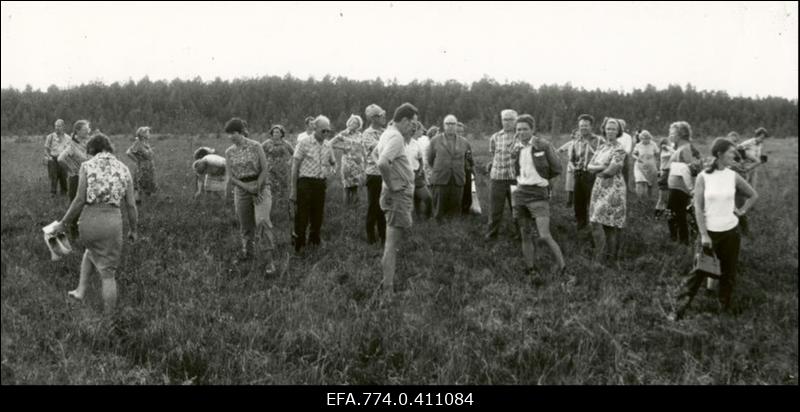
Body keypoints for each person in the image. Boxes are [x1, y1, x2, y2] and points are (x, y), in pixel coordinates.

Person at [673, 138, 758, 319]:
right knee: (698, 273)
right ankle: (678, 309)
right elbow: (698, 208)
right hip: (710, 233)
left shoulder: (732, 175)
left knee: (728, 273)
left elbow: (753, 195)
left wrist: (740, 211)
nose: (734, 155)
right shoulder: (704, 177)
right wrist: (704, 235)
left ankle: (724, 309)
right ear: (719, 154)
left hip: (731, 233)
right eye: (731, 152)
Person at [53, 133, 138, 315]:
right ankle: (109, 319)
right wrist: (133, 230)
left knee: (90, 250)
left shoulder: (87, 166)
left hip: (89, 222)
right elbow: (130, 205)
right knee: (108, 274)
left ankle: (80, 292)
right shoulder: (124, 169)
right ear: (109, 148)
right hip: (112, 222)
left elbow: (79, 200)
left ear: (91, 150)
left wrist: (63, 224)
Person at [510, 114, 566, 283]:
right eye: (518, 129)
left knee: (544, 235)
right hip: (520, 194)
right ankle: (530, 269)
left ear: (532, 129)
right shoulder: (516, 147)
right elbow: (516, 169)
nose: (521, 132)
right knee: (525, 234)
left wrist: (543, 181)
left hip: (538, 194)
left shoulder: (543, 145)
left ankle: (563, 268)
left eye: (525, 129)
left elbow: (557, 168)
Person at [376, 103, 419, 299]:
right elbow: (382, 161)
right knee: (391, 244)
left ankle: (388, 282)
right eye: (412, 123)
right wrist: (392, 184)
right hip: (397, 196)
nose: (414, 127)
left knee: (392, 241)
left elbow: (376, 153)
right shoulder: (396, 136)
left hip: (394, 195)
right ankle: (388, 290)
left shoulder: (387, 133)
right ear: (403, 120)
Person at [224, 118, 276, 273]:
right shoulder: (229, 152)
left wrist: (257, 188)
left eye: (233, 133)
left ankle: (269, 262)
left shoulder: (256, 146)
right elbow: (231, 177)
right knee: (245, 225)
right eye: (228, 134)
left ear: (241, 132)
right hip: (241, 190)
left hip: (261, 187)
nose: (231, 137)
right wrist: (246, 187)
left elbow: (265, 169)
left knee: (262, 222)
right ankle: (248, 255)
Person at [290, 115, 336, 254]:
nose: (326, 133)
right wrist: (293, 189)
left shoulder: (328, 145)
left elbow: (333, 162)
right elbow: (295, 166)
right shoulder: (304, 142)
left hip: (320, 184)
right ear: (315, 128)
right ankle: (299, 245)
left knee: (317, 215)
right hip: (305, 183)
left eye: (328, 131)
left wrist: (332, 171)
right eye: (324, 131)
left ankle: (314, 242)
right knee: (302, 215)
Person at [587, 118, 628, 265]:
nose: (610, 131)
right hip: (599, 189)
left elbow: (612, 170)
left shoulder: (620, 148)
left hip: (613, 189)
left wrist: (600, 169)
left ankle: (609, 259)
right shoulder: (601, 147)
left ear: (618, 131)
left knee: (609, 225)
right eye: (608, 128)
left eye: (614, 129)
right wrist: (601, 166)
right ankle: (602, 257)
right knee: (596, 222)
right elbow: (589, 166)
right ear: (604, 130)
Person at [427, 114, 472, 221]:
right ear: (444, 125)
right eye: (448, 124)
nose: (450, 126)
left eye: (453, 124)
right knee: (439, 211)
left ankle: (453, 232)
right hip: (440, 179)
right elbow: (430, 159)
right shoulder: (435, 140)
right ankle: (438, 232)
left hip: (457, 180)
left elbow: (469, 159)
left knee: (455, 210)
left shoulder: (465, 142)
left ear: (456, 125)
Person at [485, 109, 521, 240]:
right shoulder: (495, 137)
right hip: (498, 178)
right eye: (505, 119)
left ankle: (520, 235)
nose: (507, 122)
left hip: (515, 179)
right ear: (501, 121)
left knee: (517, 209)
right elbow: (493, 154)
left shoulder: (521, 136)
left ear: (516, 121)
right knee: (495, 209)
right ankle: (491, 234)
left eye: (511, 119)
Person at [568, 114, 604, 238]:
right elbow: (571, 160)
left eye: (586, 125)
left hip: (593, 176)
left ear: (591, 126)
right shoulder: (575, 142)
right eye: (581, 126)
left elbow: (606, 158)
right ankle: (581, 227)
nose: (583, 128)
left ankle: (596, 230)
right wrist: (573, 169)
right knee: (578, 203)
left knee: (594, 203)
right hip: (579, 175)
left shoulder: (599, 140)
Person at [667, 121, 701, 245]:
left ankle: (682, 240)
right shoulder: (680, 148)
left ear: (681, 134)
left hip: (681, 188)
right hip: (676, 187)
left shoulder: (685, 148)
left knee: (676, 213)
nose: (670, 136)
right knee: (675, 213)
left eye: (672, 133)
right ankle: (679, 239)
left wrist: (692, 189)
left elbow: (692, 169)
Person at [58, 120, 93, 238]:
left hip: (90, 178)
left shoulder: (88, 142)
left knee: (89, 205)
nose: (88, 131)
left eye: (88, 129)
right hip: (76, 179)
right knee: (76, 205)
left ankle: (86, 231)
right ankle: (74, 233)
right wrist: (71, 170)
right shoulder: (72, 145)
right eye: (85, 129)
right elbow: (61, 159)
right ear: (77, 131)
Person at [362, 104, 387, 244]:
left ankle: (383, 236)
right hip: (374, 174)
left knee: (384, 206)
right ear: (373, 118)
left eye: (383, 114)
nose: (384, 117)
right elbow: (380, 149)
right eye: (381, 115)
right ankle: (371, 238)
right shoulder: (367, 134)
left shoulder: (385, 131)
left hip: (385, 174)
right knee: (373, 206)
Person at [330, 114, 366, 206]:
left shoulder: (360, 135)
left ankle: (353, 211)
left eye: (355, 122)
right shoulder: (343, 134)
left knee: (355, 187)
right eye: (351, 121)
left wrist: (364, 161)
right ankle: (346, 210)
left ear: (358, 125)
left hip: (358, 164)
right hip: (348, 164)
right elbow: (330, 143)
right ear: (348, 122)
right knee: (346, 187)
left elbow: (363, 148)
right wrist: (342, 147)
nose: (352, 123)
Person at [262, 124, 295, 211]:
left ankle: (283, 207)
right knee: (271, 187)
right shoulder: (267, 143)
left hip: (283, 170)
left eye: (277, 132)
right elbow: (259, 152)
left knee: (283, 187)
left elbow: (295, 154)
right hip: (270, 169)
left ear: (281, 134)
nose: (275, 134)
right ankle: (271, 207)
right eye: (274, 132)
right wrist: (264, 162)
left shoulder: (286, 143)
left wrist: (290, 161)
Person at [125, 126, 157, 205]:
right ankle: (137, 202)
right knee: (140, 183)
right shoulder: (138, 143)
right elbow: (128, 152)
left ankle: (147, 202)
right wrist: (137, 160)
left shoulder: (145, 143)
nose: (149, 134)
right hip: (142, 166)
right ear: (143, 134)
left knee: (148, 183)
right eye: (147, 132)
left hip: (149, 166)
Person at [407, 120, 432, 220]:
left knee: (428, 198)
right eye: (411, 129)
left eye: (414, 129)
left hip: (417, 174)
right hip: (405, 175)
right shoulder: (401, 142)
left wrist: (421, 170)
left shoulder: (415, 143)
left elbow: (421, 159)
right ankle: (416, 218)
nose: (412, 131)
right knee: (411, 201)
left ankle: (428, 217)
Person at [737, 127, 769, 191]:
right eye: (761, 138)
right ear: (757, 135)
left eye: (764, 138)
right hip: (746, 167)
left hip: (754, 168)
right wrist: (742, 159)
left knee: (753, 188)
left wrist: (762, 158)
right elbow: (738, 148)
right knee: (744, 187)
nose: (762, 140)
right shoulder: (749, 142)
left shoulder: (760, 145)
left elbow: (756, 156)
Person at [44, 119, 69, 197]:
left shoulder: (68, 138)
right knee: (53, 177)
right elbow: (46, 149)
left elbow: (70, 150)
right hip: (53, 159)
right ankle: (53, 193)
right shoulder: (50, 137)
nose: (57, 128)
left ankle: (64, 193)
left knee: (63, 177)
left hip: (63, 159)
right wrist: (49, 157)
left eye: (59, 126)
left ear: (63, 127)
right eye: (56, 126)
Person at [631, 130, 659, 199]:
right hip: (640, 166)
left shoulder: (653, 144)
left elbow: (657, 153)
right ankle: (639, 199)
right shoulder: (638, 145)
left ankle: (649, 199)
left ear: (650, 138)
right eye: (644, 139)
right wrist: (637, 158)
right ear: (641, 138)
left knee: (649, 183)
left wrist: (655, 161)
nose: (646, 140)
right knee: (639, 181)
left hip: (651, 167)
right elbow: (633, 154)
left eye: (648, 138)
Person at [655, 137, 676, 215]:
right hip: (665, 175)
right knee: (662, 198)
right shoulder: (665, 153)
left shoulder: (666, 152)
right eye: (669, 143)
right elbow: (675, 153)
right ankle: (657, 215)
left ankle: (664, 213)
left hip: (667, 173)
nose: (671, 144)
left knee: (667, 198)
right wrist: (667, 147)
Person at [556, 130, 577, 208]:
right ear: (573, 135)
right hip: (571, 166)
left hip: (580, 166)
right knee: (570, 184)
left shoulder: (584, 143)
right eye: (576, 134)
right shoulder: (570, 143)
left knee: (578, 184)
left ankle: (577, 201)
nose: (578, 136)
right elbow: (559, 150)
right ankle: (569, 201)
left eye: (579, 134)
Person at [458, 122, 475, 214]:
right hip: (453, 170)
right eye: (458, 131)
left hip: (465, 169)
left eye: (462, 132)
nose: (460, 134)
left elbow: (469, 156)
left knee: (467, 190)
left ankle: (466, 210)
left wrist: (472, 168)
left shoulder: (465, 142)